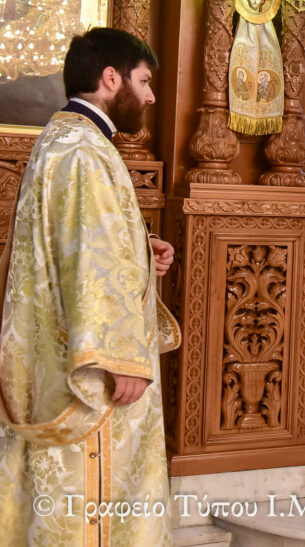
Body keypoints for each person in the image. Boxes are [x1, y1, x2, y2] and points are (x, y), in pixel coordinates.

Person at [0, 27, 181, 544]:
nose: (149, 96)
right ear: (110, 78)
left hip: (65, 348)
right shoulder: (83, 150)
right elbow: (89, 260)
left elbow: (74, 243)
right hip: (95, 367)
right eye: (144, 82)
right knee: (92, 497)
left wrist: (144, 251)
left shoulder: (65, 138)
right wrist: (121, 358)